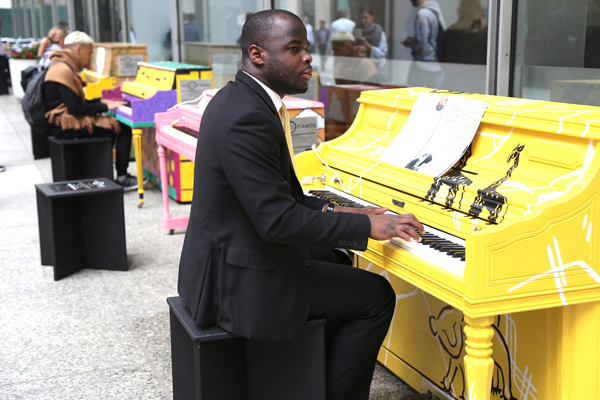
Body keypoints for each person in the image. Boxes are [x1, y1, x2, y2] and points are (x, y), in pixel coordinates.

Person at [177, 9, 425, 400]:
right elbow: (276, 221)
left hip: (226, 258)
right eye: (294, 49)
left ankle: (315, 378)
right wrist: (367, 228)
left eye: (306, 48)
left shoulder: (238, 98)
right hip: (236, 283)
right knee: (375, 296)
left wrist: (345, 212)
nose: (307, 57)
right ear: (257, 54)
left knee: (336, 258)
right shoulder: (248, 117)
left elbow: (283, 198)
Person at [43, 31, 141, 190]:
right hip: (65, 125)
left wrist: (100, 101)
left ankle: (107, 172)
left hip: (64, 120)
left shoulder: (62, 65)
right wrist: (104, 106)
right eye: (89, 53)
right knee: (122, 128)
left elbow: (73, 102)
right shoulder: (63, 70)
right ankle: (121, 177)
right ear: (78, 49)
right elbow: (75, 108)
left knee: (114, 125)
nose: (90, 58)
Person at [402, 0, 446, 88]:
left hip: (422, 66)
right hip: (436, 66)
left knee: (412, 97)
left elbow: (421, 44)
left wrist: (409, 42)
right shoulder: (435, 10)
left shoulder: (423, 14)